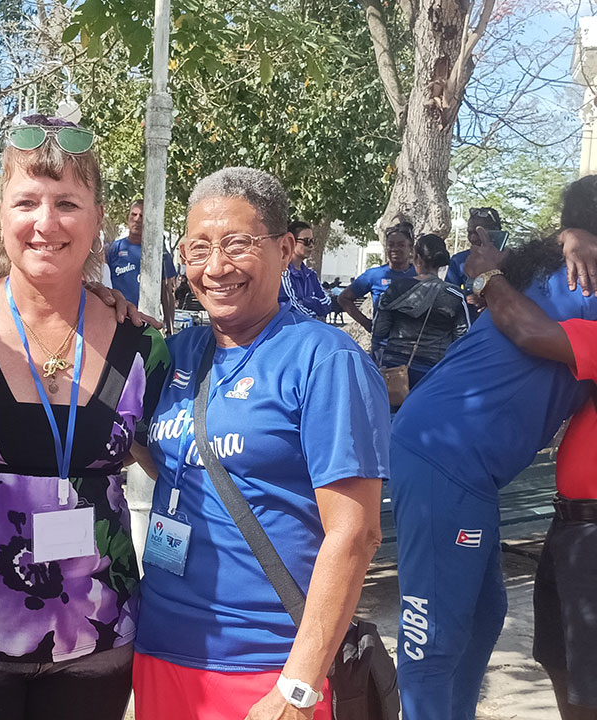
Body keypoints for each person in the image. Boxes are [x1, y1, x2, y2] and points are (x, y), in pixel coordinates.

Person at [0, 114, 171, 720]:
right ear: (0, 214)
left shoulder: (143, 348)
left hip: (99, 645)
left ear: (97, 216)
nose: (45, 223)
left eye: (67, 203)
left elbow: (179, 466)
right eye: (26, 201)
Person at [134, 167, 390, 720]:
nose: (216, 266)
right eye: (198, 248)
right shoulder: (175, 354)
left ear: (286, 248)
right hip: (160, 648)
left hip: (267, 666)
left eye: (237, 245)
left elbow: (357, 533)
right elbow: (171, 460)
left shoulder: (326, 361)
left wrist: (298, 687)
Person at [389, 176, 597, 720]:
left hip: (461, 461)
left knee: (483, 615)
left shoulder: (552, 268)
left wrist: (563, 239)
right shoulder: (585, 280)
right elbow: (524, 327)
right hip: (446, 453)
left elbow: (466, 265)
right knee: (432, 633)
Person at [461, 188, 597, 720]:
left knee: (588, 683)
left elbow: (529, 330)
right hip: (571, 527)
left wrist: (487, 277)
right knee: (560, 663)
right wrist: (571, 235)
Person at [371, 233, 470, 390]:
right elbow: (462, 339)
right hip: (433, 370)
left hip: (394, 367)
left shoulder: (394, 289)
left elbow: (379, 330)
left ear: (416, 258)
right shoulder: (455, 295)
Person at [107, 199, 179, 332]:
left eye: (142, 216)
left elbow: (167, 292)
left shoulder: (159, 253)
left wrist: (170, 328)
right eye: (133, 215)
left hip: (148, 323)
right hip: (118, 320)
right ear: (127, 218)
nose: (137, 219)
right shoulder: (113, 250)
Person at [338, 221, 416, 341]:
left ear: (410, 248)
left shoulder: (419, 274)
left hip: (413, 344)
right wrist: (366, 323)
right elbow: (344, 298)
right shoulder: (374, 275)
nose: (395, 249)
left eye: (401, 245)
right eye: (391, 245)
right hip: (383, 346)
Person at [278, 220, 331, 319]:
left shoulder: (311, 275)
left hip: (311, 329)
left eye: (312, 241)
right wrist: (315, 316)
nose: (311, 246)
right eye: (306, 241)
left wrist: (308, 301)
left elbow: (327, 303)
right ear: (291, 242)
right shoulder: (283, 272)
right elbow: (292, 307)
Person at [444, 206, 501, 293]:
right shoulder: (458, 260)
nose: (473, 238)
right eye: (470, 232)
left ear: (495, 232)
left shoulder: (509, 259)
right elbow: (449, 293)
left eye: (478, 233)